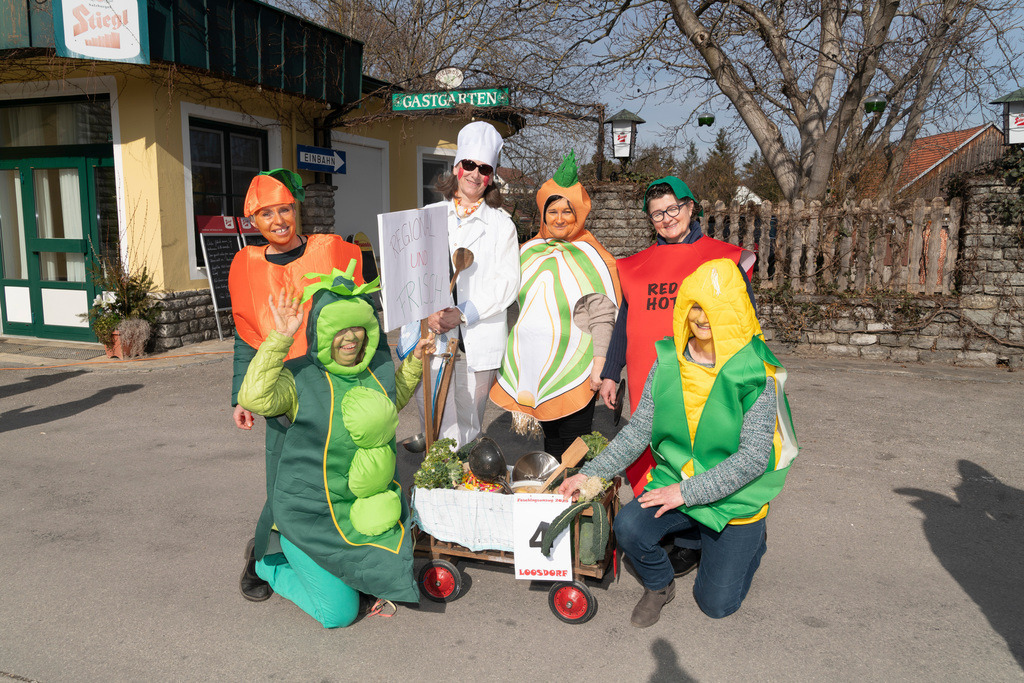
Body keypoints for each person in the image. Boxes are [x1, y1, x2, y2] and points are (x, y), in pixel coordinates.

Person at [560, 258, 798, 627]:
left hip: (734, 497)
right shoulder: (668, 360)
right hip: (677, 480)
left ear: (734, 312)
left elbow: (753, 458)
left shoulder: (757, 374)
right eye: (695, 306)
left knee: (716, 604)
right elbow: (639, 430)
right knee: (629, 528)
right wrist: (590, 475)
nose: (702, 317)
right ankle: (659, 585)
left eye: (714, 308)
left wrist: (685, 493)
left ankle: (750, 540)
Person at [237, 266, 434, 628]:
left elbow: (391, 401)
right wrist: (280, 338)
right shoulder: (300, 378)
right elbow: (254, 396)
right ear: (321, 332)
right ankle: (266, 563)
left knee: (383, 568)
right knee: (339, 613)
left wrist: (415, 363)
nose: (351, 338)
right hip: (308, 515)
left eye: (358, 327)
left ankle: (335, 571)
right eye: (339, 329)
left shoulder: (374, 368)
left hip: (359, 507)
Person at [229, 169, 364, 602]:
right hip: (284, 394)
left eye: (284, 209)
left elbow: (363, 315)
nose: (278, 220)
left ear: (297, 209)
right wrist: (240, 396)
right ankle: (261, 557)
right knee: (283, 482)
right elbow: (246, 337)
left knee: (339, 478)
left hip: (335, 389)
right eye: (266, 214)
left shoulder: (331, 250)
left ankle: (336, 557)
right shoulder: (247, 267)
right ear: (254, 221)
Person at [598, 177, 756, 499]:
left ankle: (697, 521)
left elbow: (746, 318)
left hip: (706, 376)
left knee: (702, 446)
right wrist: (611, 373)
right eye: (658, 214)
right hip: (648, 376)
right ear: (650, 220)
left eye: (673, 208)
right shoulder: (636, 267)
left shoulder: (722, 260)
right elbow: (625, 318)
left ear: (690, 207)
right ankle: (657, 521)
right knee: (650, 444)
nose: (667, 218)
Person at [489, 151, 620, 459]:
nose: (560, 219)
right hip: (537, 368)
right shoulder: (527, 251)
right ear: (542, 214)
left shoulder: (592, 257)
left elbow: (602, 316)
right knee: (550, 444)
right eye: (553, 212)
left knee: (575, 445)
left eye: (567, 211)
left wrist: (600, 364)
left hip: (577, 369)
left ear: (579, 214)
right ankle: (554, 499)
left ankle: (576, 499)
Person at [413, 121, 520, 447]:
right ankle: (431, 489)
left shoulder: (502, 225)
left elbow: (507, 283)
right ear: (457, 167)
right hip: (432, 334)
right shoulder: (429, 215)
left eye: (484, 169)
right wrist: (427, 312)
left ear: (491, 177)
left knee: (466, 429)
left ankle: (457, 490)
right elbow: (413, 273)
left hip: (477, 337)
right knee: (430, 418)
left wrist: (460, 314)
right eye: (470, 165)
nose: (476, 174)